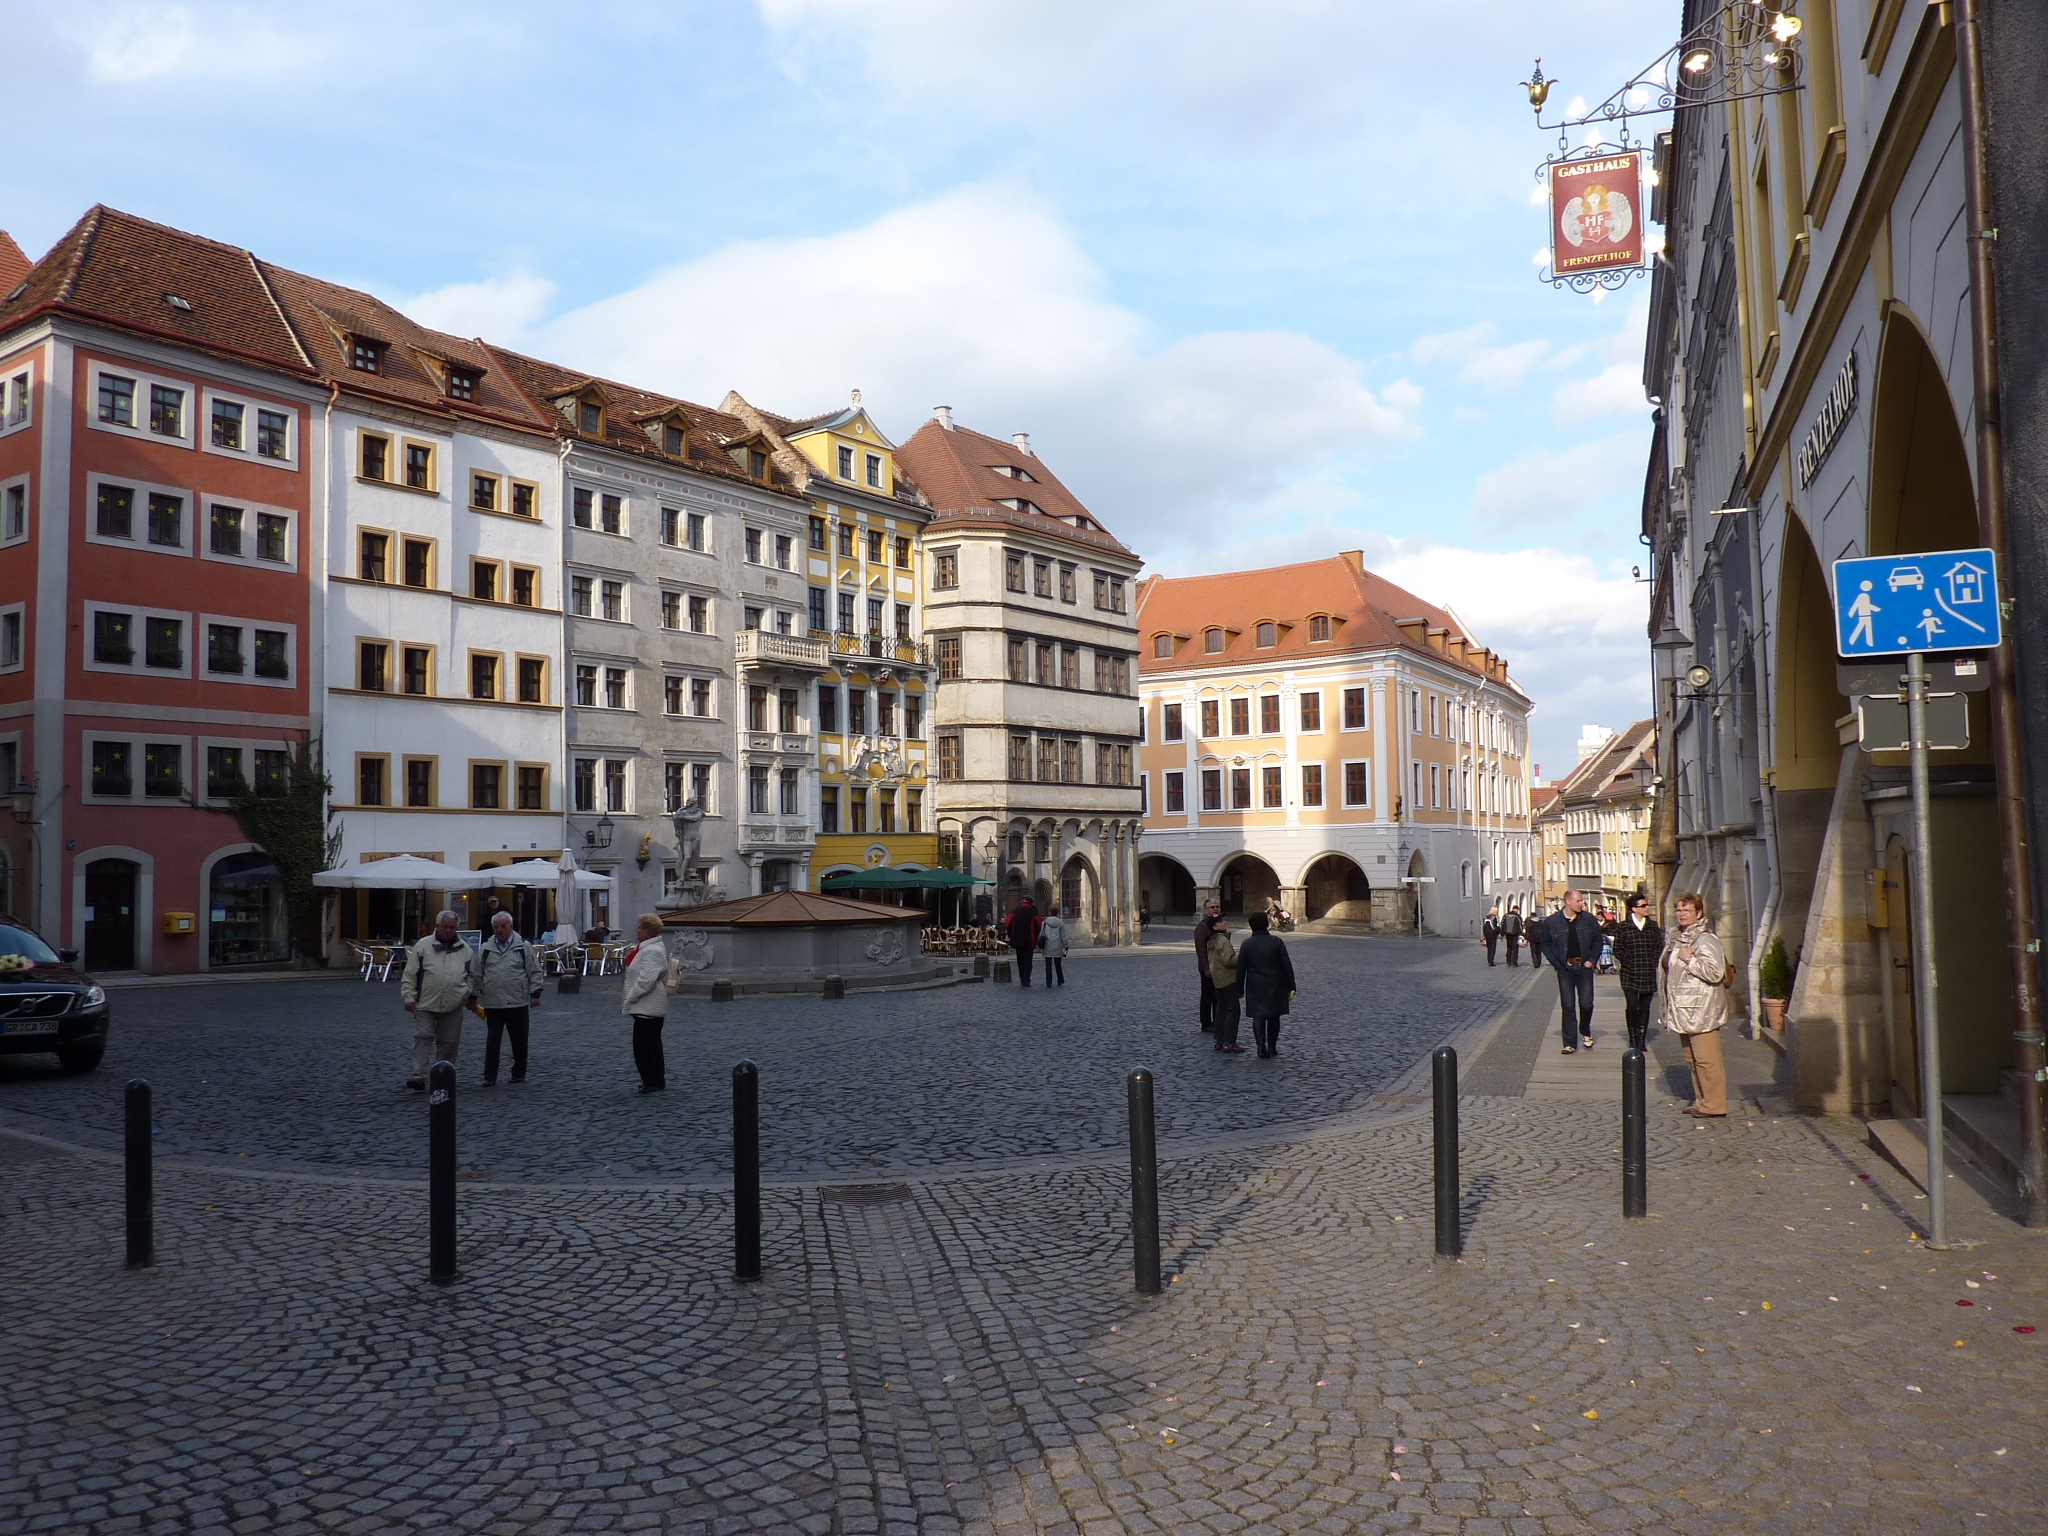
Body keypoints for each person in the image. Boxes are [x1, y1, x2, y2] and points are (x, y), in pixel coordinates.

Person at [1661, 892, 1729, 1117]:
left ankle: (1715, 1105)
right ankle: (1702, 1101)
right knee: (1693, 1059)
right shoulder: (1679, 936)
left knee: (1707, 1060)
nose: (1681, 914)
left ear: (1699, 913)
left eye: (1687, 910)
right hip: (1684, 1009)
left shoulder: (1704, 939)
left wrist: (1690, 960)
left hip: (1702, 1009)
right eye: (1679, 910)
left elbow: (1715, 972)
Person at [400, 910, 475, 1091]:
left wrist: (466, 992)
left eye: (452, 927)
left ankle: (443, 1074)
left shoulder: (465, 950)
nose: (448, 930)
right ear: (437, 926)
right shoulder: (423, 946)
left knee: (449, 1041)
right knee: (423, 1037)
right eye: (445, 926)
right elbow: (410, 974)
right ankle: (418, 1075)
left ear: (456, 928)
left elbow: (472, 975)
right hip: (425, 1002)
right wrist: (409, 996)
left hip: (454, 1003)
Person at [475, 910, 544, 1085]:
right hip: (494, 1002)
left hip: (517, 1001)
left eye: (503, 927)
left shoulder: (523, 947)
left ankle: (518, 1073)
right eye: (496, 927)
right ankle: (489, 1076)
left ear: (511, 927)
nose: (499, 930)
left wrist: (535, 993)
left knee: (519, 1041)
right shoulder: (486, 948)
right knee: (493, 1042)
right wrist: (473, 994)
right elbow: (477, 974)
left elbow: (534, 971)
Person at [1542, 888, 1604, 1053]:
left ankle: (1585, 1030)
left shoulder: (1588, 919)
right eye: (1578, 901)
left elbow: (1598, 940)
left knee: (1586, 1003)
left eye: (1582, 901)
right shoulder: (1552, 922)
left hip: (1584, 967)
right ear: (1567, 902)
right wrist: (1557, 964)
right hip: (1565, 969)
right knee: (1568, 1005)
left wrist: (1592, 960)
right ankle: (1569, 1043)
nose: (1582, 904)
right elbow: (1545, 944)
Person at [1610, 893, 1665, 1053]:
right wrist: (1629, 963)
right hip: (1630, 973)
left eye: (1646, 905)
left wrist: (1653, 962)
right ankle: (1633, 1037)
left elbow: (1658, 947)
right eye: (1643, 905)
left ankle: (1641, 1038)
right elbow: (1618, 949)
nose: (1647, 908)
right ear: (1634, 909)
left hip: (1647, 971)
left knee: (1645, 1007)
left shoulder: (1652, 926)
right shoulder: (1623, 927)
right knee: (1632, 1005)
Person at [621, 913, 670, 1094]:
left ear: (648, 931)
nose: (637, 930)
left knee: (643, 1046)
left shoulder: (651, 950)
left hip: (648, 1004)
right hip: (648, 1004)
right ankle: (655, 1079)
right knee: (652, 1043)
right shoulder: (648, 948)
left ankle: (651, 1080)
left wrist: (632, 996)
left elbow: (647, 979)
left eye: (640, 927)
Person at [1237, 910, 1297, 1058]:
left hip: (1255, 985)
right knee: (1274, 1016)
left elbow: (1241, 969)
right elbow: (1286, 965)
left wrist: (1239, 989)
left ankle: (1260, 1047)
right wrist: (1291, 985)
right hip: (1276, 984)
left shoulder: (1247, 944)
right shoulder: (1276, 942)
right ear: (1266, 924)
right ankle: (1272, 1047)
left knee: (1259, 1016)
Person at [1205, 916, 1243, 1053]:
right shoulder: (1222, 940)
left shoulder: (1212, 940)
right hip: (1228, 979)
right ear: (1215, 927)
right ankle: (1229, 1042)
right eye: (1221, 922)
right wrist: (1240, 959)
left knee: (1220, 1009)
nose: (1224, 923)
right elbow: (1228, 961)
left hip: (1217, 979)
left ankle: (1219, 1040)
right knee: (1233, 1010)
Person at [1193, 899, 1222, 1031]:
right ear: (1206, 910)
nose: (1215, 909)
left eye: (1217, 906)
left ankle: (1217, 1021)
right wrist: (1205, 968)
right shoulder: (1202, 927)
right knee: (1207, 996)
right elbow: (1201, 950)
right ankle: (1206, 1023)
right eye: (1212, 907)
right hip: (1207, 967)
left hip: (1219, 966)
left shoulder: (1219, 924)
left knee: (1218, 996)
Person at [1006, 897, 1043, 986]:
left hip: (1017, 940)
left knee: (1020, 960)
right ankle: (1027, 980)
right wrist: (1036, 936)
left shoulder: (1015, 911)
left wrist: (1012, 935)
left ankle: (1022, 979)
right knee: (1028, 961)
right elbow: (1039, 925)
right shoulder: (1034, 913)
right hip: (1030, 940)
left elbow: (1007, 924)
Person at [1039, 907, 1069, 985]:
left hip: (1047, 945)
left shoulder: (1044, 922)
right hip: (1057, 945)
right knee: (1058, 964)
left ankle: (1049, 982)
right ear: (1057, 913)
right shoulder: (1060, 922)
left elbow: (1041, 933)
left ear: (1049, 912)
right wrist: (1066, 945)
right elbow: (1063, 936)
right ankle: (1060, 980)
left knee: (1048, 965)